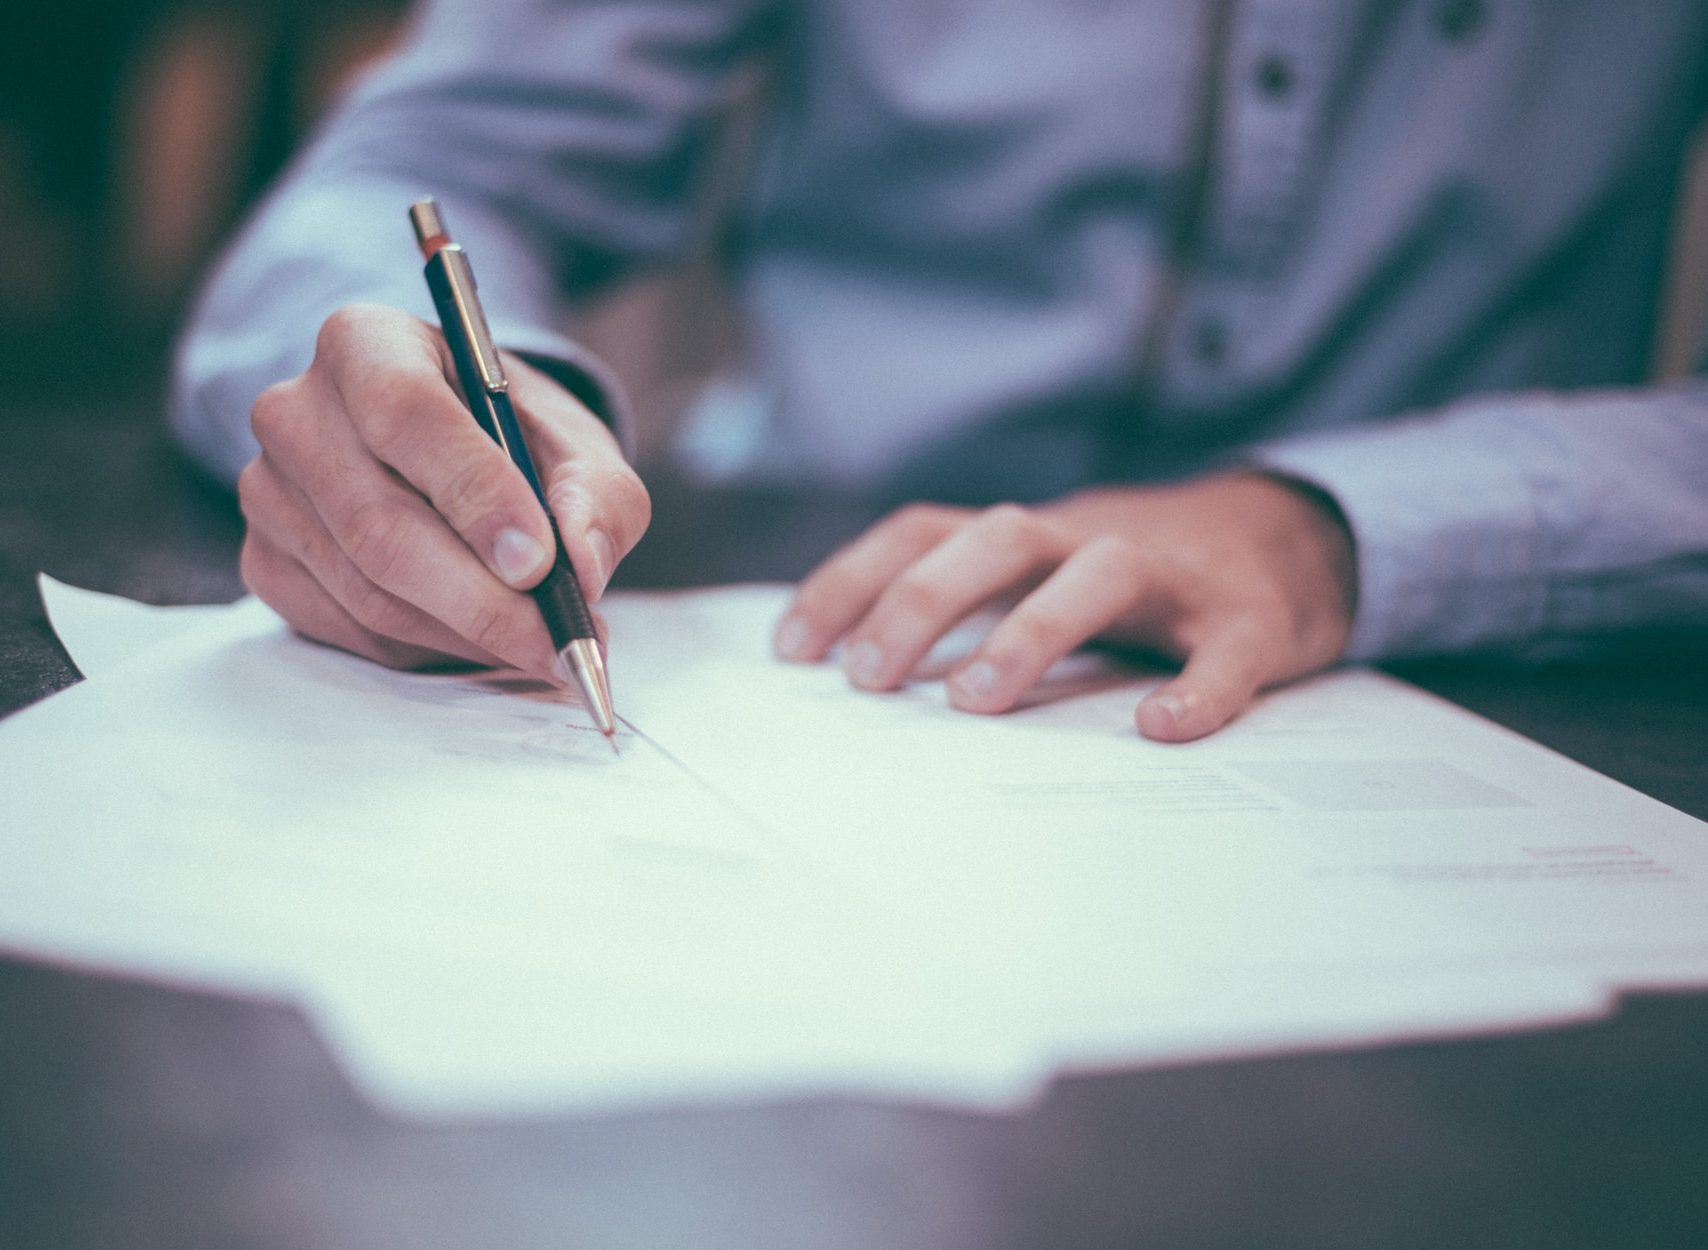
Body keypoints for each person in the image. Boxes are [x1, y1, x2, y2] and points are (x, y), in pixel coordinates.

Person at [171, 0, 1708, 742]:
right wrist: (418, 407)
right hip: (803, 620)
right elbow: (422, 164)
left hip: (1492, 681)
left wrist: (1333, 523)